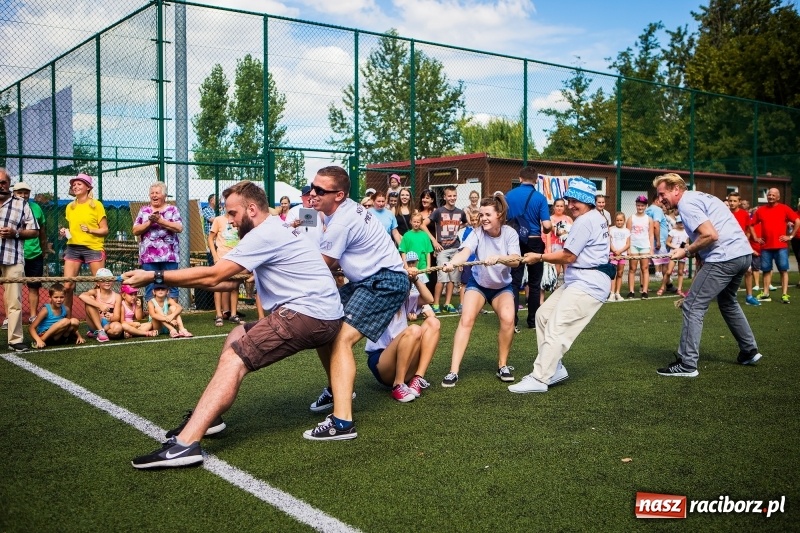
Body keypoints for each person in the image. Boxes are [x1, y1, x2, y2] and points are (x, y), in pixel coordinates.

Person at [125, 180, 343, 468]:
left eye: (232, 213)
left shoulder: (264, 234)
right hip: (321, 313)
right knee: (237, 333)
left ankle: (185, 445)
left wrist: (155, 277)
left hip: (308, 314)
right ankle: (211, 418)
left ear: (251, 209)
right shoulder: (276, 226)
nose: (228, 220)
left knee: (234, 359)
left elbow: (214, 277)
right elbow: (226, 280)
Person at [304, 166, 410, 441]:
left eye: (320, 190)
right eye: (312, 187)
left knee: (341, 339)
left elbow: (323, 264)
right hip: (366, 280)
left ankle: (342, 422)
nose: (312, 193)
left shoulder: (342, 220)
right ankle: (337, 387)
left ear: (339, 195)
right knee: (322, 324)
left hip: (385, 281)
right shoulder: (335, 211)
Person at [652, 173, 762, 377]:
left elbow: (711, 235)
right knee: (728, 302)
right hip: (742, 255)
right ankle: (749, 351)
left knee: (692, 306)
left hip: (725, 257)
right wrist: (696, 252)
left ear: (676, 189)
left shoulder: (686, 204)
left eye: (662, 194)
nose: (660, 199)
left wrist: (686, 251)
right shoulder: (699, 197)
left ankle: (687, 364)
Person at [508, 177, 610, 393]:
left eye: (576, 201)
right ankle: (555, 368)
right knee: (543, 315)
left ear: (588, 201)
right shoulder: (594, 216)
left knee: (556, 326)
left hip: (588, 283)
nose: (571, 205)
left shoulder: (585, 221)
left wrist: (539, 257)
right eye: (569, 200)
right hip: (580, 279)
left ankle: (540, 378)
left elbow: (568, 256)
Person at [440, 194, 521, 387]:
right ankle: (453, 371)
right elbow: (465, 253)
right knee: (466, 319)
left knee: (509, 319)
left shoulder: (510, 233)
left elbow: (516, 260)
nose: (483, 218)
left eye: (487, 214)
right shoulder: (477, 233)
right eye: (481, 214)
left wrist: (499, 258)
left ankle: (502, 365)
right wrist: (452, 263)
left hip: (502, 287)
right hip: (478, 285)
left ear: (499, 216)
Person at [365, 269, 440, 402]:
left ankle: (418, 379)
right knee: (414, 330)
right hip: (381, 362)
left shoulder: (404, 301)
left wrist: (415, 279)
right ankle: (398, 385)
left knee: (433, 323)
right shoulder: (376, 301)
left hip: (405, 357)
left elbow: (430, 299)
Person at [506, 166, 552, 328]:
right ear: (536, 180)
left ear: (520, 178)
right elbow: (546, 225)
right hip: (534, 241)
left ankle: (512, 321)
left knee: (513, 281)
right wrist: (549, 228)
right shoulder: (540, 198)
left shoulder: (509, 196)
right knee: (534, 283)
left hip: (514, 240)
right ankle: (532, 321)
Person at [0, 168, 40, 352]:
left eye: (3, 182)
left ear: (9, 184)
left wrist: (15, 233)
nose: (0, 186)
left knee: (14, 300)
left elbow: (34, 231)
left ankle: (15, 340)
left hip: (12, 257)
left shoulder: (21, 204)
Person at [59, 173, 108, 313]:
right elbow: (73, 228)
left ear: (88, 187)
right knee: (67, 286)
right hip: (73, 248)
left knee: (100, 285)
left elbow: (104, 230)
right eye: (74, 185)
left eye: (79, 184)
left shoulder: (97, 205)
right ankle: (66, 321)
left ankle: (100, 319)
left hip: (93, 248)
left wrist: (90, 230)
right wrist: (64, 231)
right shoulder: (70, 207)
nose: (75, 186)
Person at [132, 181, 183, 302]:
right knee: (150, 284)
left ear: (164, 195)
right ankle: (153, 317)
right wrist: (150, 222)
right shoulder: (144, 210)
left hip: (169, 255)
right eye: (152, 193)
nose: (154, 195)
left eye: (157, 193)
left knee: (172, 283)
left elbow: (179, 227)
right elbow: (135, 230)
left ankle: (171, 315)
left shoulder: (172, 209)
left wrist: (161, 221)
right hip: (149, 256)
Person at [751, 188, 799, 304]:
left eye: (773, 195)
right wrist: (756, 238)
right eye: (769, 195)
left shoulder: (784, 208)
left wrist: (790, 236)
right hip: (766, 247)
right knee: (766, 270)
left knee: (783, 270)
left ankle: (784, 295)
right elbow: (751, 224)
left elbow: (797, 221)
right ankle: (766, 293)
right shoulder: (761, 210)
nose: (770, 197)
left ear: (778, 197)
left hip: (781, 246)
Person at [12, 182, 48, 322]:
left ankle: (33, 316)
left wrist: (43, 248)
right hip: (15, 254)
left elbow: (42, 231)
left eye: (26, 192)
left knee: (34, 286)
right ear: (14, 193)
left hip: (34, 254)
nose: (23, 195)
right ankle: (12, 317)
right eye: (20, 192)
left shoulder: (36, 208)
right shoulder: (9, 207)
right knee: (13, 287)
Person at [427, 185, 467, 313]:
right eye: (449, 196)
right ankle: (436, 303)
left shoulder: (460, 212)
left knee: (452, 279)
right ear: (444, 197)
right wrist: (434, 241)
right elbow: (423, 224)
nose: (452, 198)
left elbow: (465, 222)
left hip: (455, 248)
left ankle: (448, 303)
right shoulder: (438, 211)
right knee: (442, 278)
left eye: (454, 195)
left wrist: (458, 227)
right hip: (442, 249)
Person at [208, 213, 242, 325]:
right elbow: (210, 238)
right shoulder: (219, 220)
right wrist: (215, 256)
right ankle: (218, 315)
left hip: (236, 258)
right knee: (218, 285)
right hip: (222, 257)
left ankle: (233, 314)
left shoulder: (240, 219)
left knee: (234, 285)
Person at [29, 283, 84, 349]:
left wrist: (79, 336)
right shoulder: (46, 310)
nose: (59, 300)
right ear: (50, 298)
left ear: (65, 297)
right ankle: (42, 340)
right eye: (56, 297)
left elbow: (70, 324)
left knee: (75, 321)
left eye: (61, 297)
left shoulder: (66, 309)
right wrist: (38, 340)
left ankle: (68, 339)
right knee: (65, 321)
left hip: (58, 336)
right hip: (45, 335)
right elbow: (31, 328)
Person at [728, 192, 759, 306]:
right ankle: (729, 296)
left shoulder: (744, 214)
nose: (732, 203)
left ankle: (749, 297)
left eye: (734, 201)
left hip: (742, 247)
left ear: (739, 202)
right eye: (730, 200)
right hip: (729, 247)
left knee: (748, 271)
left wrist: (748, 239)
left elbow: (748, 229)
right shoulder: (725, 213)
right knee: (729, 272)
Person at [79, 267, 121, 342]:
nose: (107, 282)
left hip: (108, 324)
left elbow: (117, 317)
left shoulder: (117, 296)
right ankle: (100, 331)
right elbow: (82, 296)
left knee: (118, 329)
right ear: (97, 282)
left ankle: (99, 333)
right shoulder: (95, 292)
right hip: (95, 323)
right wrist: (100, 305)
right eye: (103, 280)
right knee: (90, 299)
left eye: (109, 279)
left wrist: (111, 318)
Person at [626, 195, 655, 298]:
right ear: (636, 205)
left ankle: (645, 291)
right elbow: (627, 234)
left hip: (645, 246)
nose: (640, 207)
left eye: (642, 206)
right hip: (634, 245)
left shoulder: (649, 219)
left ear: (646, 206)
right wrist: (628, 248)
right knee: (632, 268)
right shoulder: (631, 218)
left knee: (645, 268)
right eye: (638, 205)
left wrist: (651, 249)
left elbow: (651, 235)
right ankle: (631, 291)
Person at [658, 216, 689, 297]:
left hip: (682, 254)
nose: (681, 224)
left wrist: (685, 247)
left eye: (682, 222)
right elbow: (667, 242)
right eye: (679, 222)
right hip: (673, 253)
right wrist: (676, 248)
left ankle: (679, 289)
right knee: (668, 271)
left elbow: (686, 243)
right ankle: (662, 287)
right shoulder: (673, 231)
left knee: (680, 272)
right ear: (677, 223)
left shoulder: (686, 232)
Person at [646, 194, 671, 286]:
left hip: (651, 241)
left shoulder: (648, 210)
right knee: (665, 263)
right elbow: (656, 225)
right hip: (659, 241)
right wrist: (658, 241)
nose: (663, 203)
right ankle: (667, 285)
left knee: (646, 265)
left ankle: (643, 287)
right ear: (657, 201)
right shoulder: (657, 210)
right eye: (662, 201)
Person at [549, 198, 572, 282]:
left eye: (561, 206)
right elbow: (556, 231)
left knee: (567, 269)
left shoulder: (568, 219)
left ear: (564, 207)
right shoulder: (550, 218)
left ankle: (566, 289)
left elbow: (573, 232)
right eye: (557, 206)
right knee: (557, 269)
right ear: (554, 207)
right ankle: (554, 289)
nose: (559, 208)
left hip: (567, 246)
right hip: (555, 245)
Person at [609, 211, 630, 301]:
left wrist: (620, 251)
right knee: (613, 274)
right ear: (615, 221)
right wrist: (614, 251)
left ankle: (618, 292)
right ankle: (612, 293)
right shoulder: (611, 229)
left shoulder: (627, 231)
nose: (619, 222)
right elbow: (609, 242)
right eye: (617, 220)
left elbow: (628, 244)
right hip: (613, 255)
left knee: (620, 273)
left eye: (621, 220)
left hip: (622, 255)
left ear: (624, 221)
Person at [201, 193, 217, 266]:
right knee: (211, 254)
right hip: (210, 235)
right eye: (216, 199)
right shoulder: (206, 209)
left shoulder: (218, 210)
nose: (219, 201)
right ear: (211, 200)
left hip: (219, 236)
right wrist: (221, 219)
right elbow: (211, 219)